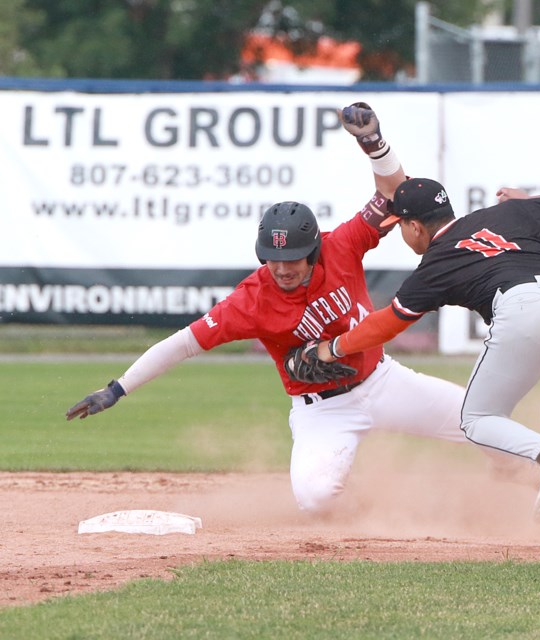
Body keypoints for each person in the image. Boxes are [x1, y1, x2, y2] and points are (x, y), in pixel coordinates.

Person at [65, 103, 474, 515]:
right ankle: (369, 514)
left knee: (479, 420)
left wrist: (373, 143)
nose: (281, 268)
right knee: (315, 499)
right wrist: (118, 388)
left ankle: (532, 477)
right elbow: (183, 344)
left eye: (293, 258)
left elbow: (392, 194)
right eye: (272, 259)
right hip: (323, 411)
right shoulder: (251, 299)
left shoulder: (342, 245)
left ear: (313, 250)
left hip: (383, 381)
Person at [308, 176, 540, 536]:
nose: (402, 234)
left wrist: (335, 347)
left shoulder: (437, 262)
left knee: (476, 419)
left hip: (525, 305)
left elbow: (390, 321)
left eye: (400, 226)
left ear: (415, 227)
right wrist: (528, 201)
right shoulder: (508, 213)